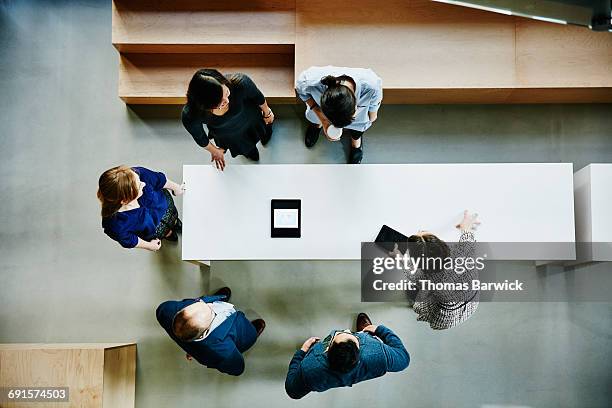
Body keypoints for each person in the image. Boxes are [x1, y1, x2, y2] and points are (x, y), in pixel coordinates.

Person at [285, 313, 409, 399]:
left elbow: (292, 391)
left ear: (327, 348)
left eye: (347, 333)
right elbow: (404, 359)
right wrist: (380, 330)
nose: (347, 330)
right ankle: (366, 330)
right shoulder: (379, 355)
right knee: (367, 333)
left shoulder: (310, 369)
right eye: (352, 334)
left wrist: (301, 352)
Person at [156, 287, 265, 376]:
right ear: (205, 331)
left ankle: (221, 298)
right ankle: (252, 331)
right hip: (240, 331)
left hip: (193, 340)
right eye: (211, 312)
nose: (211, 304)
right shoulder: (224, 351)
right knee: (248, 333)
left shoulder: (165, 310)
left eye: (200, 304)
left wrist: (192, 349)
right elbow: (237, 368)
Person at [182, 69, 275, 170]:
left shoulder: (240, 83)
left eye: (226, 93)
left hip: (251, 119)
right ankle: (250, 151)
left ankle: (265, 133)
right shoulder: (191, 114)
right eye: (219, 103)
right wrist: (214, 151)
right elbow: (200, 137)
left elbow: (258, 96)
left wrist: (267, 113)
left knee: (264, 130)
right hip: (229, 134)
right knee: (247, 149)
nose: (226, 101)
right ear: (204, 106)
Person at [404, 210, 481, 330]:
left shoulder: (424, 279)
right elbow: (467, 234)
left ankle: (410, 302)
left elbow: (409, 272)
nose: (419, 230)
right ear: (442, 245)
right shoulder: (463, 253)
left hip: (446, 316)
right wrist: (465, 225)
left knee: (411, 290)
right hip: (471, 302)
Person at [295, 66, 383, 164]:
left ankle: (356, 143)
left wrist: (370, 117)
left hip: (358, 119)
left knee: (359, 125)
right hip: (320, 113)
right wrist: (323, 119)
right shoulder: (309, 82)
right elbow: (301, 90)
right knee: (316, 119)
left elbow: (372, 115)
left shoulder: (371, 87)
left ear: (356, 106)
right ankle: (318, 124)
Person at [97, 165, 185, 251]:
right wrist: (149, 246)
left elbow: (159, 179)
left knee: (173, 218)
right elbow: (129, 240)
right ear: (125, 200)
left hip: (166, 209)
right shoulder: (114, 224)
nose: (143, 184)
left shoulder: (137, 174)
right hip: (155, 230)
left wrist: (176, 188)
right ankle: (167, 233)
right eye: (139, 186)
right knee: (165, 231)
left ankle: (175, 222)